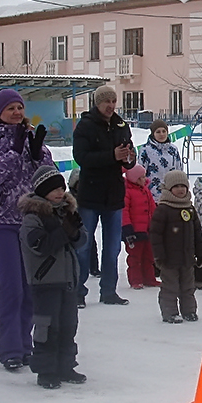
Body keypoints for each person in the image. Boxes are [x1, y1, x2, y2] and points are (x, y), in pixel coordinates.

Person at [0, 88, 52, 371]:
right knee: (11, 288)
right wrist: (14, 151)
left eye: (20, 107)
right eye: (11, 109)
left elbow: (48, 178)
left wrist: (37, 155)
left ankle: (25, 345)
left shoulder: (31, 139)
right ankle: (9, 348)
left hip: (31, 222)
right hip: (0, 223)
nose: (17, 113)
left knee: (30, 288)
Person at [18, 164, 88, 389]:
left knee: (68, 325)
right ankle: (46, 370)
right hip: (45, 281)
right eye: (53, 189)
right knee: (46, 327)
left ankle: (66, 365)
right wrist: (64, 232)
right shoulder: (33, 217)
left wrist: (75, 233)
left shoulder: (66, 211)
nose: (59, 192)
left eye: (61, 188)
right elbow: (40, 245)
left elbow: (82, 240)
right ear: (41, 191)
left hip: (68, 280)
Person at [73, 84, 135, 306]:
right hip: (90, 193)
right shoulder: (85, 126)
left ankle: (108, 291)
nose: (110, 106)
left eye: (113, 101)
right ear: (97, 103)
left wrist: (129, 157)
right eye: (106, 101)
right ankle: (78, 292)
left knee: (112, 248)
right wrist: (111, 155)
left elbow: (130, 154)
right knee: (83, 245)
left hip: (114, 194)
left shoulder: (120, 125)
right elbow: (81, 157)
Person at [149, 170, 202, 323]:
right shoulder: (163, 209)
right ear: (168, 189)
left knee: (188, 287)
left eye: (183, 186)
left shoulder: (189, 208)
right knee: (170, 287)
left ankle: (189, 311)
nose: (180, 189)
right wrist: (159, 256)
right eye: (176, 186)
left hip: (187, 258)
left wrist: (200, 253)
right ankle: (170, 312)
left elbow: (197, 233)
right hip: (169, 259)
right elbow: (155, 235)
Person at [122, 163, 160, 290]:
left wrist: (156, 222)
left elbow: (152, 208)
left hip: (147, 230)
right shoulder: (127, 192)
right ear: (135, 178)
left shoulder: (146, 190)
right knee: (135, 257)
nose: (145, 179)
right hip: (134, 231)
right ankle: (135, 280)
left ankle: (149, 278)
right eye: (142, 177)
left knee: (149, 256)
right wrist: (127, 227)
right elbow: (124, 211)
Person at [138, 118, 184, 205]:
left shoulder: (173, 149)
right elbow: (141, 172)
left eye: (164, 131)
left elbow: (179, 170)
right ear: (153, 133)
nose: (161, 134)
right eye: (158, 132)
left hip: (171, 194)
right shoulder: (145, 150)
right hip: (152, 195)